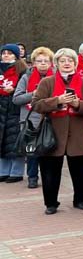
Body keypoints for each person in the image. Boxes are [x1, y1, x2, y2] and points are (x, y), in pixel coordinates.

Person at [31, 48, 83, 214]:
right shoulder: (47, 82)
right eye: (63, 61)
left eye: (70, 60)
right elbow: (36, 104)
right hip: (53, 133)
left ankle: (80, 200)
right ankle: (51, 203)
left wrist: (78, 104)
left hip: (78, 133)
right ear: (56, 64)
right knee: (50, 171)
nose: (67, 63)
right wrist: (57, 101)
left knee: (81, 171)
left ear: (75, 63)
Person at [13, 47, 55, 188]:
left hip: (51, 119)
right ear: (34, 63)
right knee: (32, 152)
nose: (43, 64)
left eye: (46, 61)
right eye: (39, 61)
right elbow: (16, 99)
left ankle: (49, 177)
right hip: (30, 120)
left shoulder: (56, 77)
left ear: (51, 63)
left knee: (50, 150)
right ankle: (32, 177)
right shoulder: (26, 77)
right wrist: (34, 93)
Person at [0, 44, 28, 181]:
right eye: (4, 53)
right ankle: (3, 171)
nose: (6, 55)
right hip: (1, 109)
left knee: (15, 141)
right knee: (2, 140)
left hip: (15, 109)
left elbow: (25, 88)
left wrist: (14, 89)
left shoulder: (22, 70)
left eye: (9, 53)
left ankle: (16, 172)